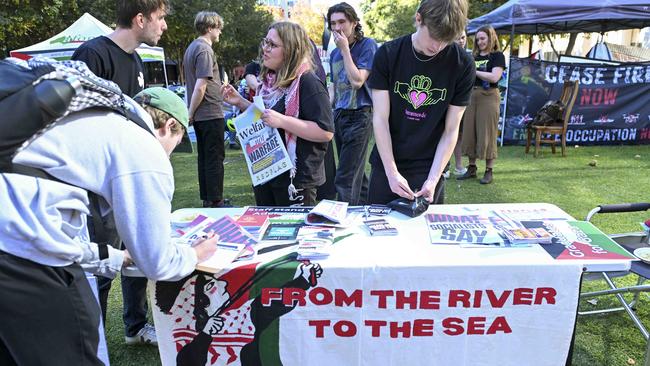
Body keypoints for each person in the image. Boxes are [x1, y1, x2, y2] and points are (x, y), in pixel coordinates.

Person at [0, 83, 217, 365]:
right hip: (21, 256)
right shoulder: (143, 146)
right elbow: (157, 262)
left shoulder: (100, 121)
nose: (168, 156)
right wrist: (194, 254)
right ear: (169, 126)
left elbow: (59, 238)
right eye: (174, 146)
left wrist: (118, 258)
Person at [72, 0, 170, 346]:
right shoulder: (93, 54)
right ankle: (89, 340)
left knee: (138, 253)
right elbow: (79, 118)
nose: (164, 26)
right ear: (140, 19)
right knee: (101, 262)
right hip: (97, 181)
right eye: (160, 18)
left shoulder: (137, 60)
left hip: (130, 175)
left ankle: (135, 327)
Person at [366, 0, 475, 205]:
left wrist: (433, 178)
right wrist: (391, 172)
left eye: (446, 40)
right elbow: (380, 119)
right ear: (419, 19)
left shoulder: (463, 64)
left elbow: (451, 130)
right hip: (387, 163)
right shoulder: (388, 54)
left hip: (430, 167)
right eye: (434, 37)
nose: (438, 46)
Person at [222, 21, 334, 206]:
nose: (265, 49)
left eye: (272, 45)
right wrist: (241, 102)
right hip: (265, 171)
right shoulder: (268, 83)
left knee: (291, 234)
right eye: (265, 42)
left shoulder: (308, 83)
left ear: (291, 50)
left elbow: (325, 131)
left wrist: (283, 121)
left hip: (295, 180)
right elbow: (266, 116)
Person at [327, 2, 377, 205]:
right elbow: (334, 87)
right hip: (339, 115)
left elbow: (357, 81)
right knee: (356, 173)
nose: (337, 28)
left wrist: (346, 50)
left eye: (342, 22)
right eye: (333, 23)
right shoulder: (333, 54)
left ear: (354, 23)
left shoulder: (367, 46)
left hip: (360, 115)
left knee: (346, 177)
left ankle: (343, 219)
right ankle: (365, 208)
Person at [183, 11, 229, 208]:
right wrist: (190, 113)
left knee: (205, 158)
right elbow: (200, 85)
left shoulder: (192, 47)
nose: (220, 32)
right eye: (218, 28)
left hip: (202, 115)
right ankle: (216, 200)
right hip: (209, 113)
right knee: (214, 158)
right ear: (210, 28)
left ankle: (208, 198)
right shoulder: (204, 50)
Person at [457, 25, 505, 185]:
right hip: (471, 95)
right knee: (470, 131)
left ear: (491, 37)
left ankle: (489, 170)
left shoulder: (497, 56)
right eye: (478, 39)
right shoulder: (473, 56)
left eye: (483, 38)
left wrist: (474, 71)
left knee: (487, 132)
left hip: (489, 96)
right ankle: (471, 168)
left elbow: (494, 77)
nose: (480, 42)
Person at [450, 30, 471, 177]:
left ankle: (458, 165)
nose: (461, 40)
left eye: (463, 37)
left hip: (461, 102)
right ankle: (444, 168)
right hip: (446, 101)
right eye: (458, 38)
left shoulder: (468, 59)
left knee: (459, 134)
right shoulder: (446, 56)